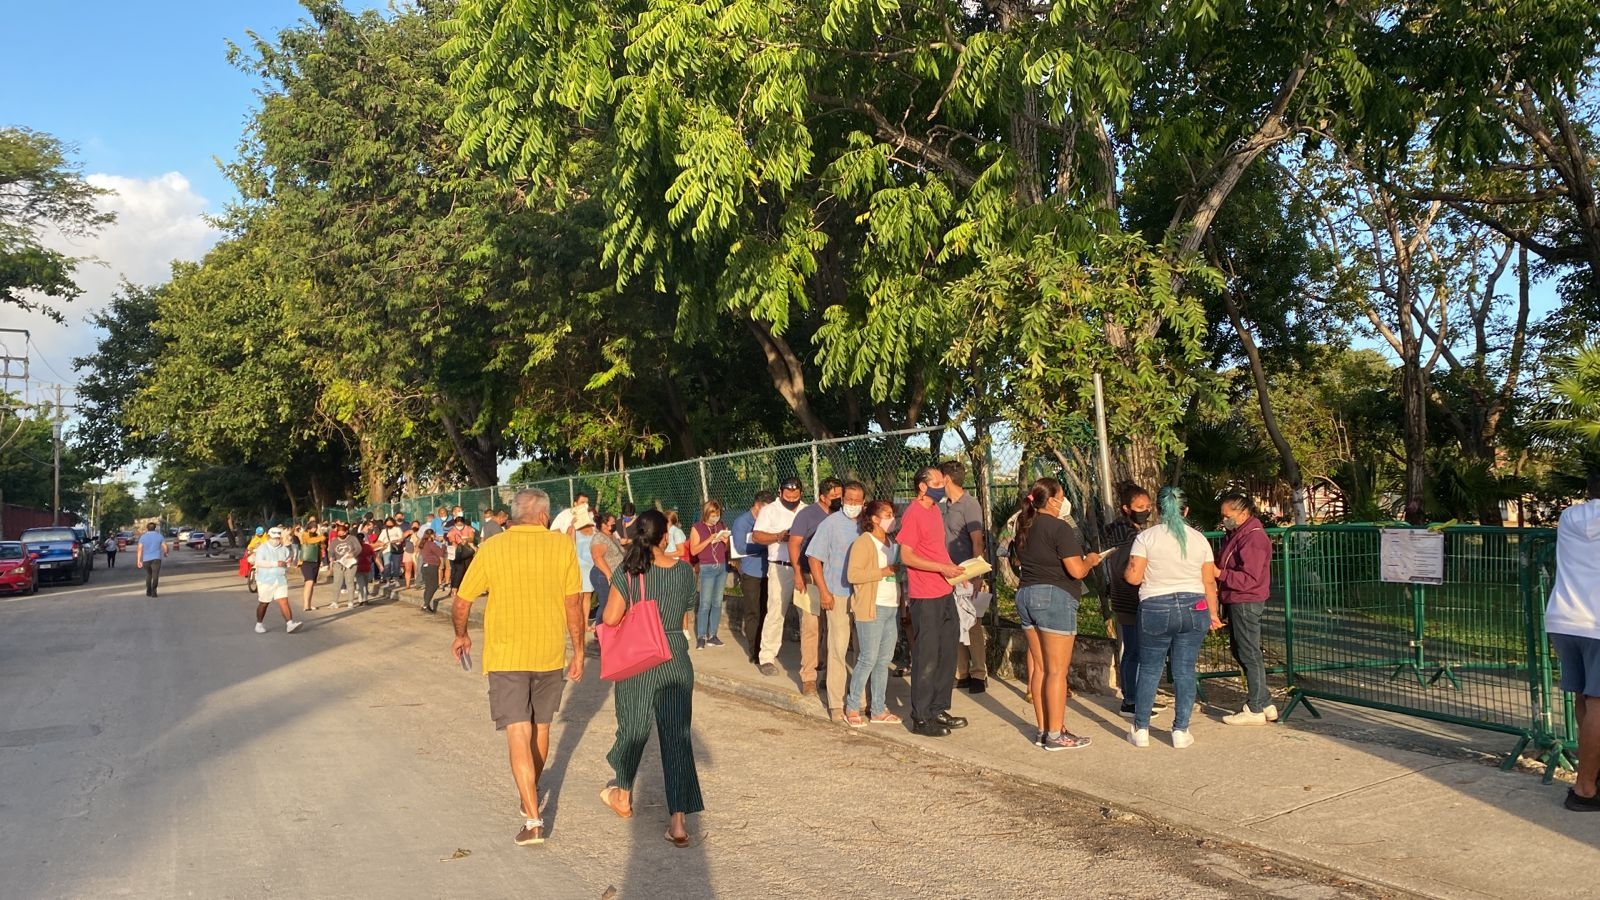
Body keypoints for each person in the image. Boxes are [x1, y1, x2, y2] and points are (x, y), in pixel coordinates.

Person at [449, 488, 585, 847]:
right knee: (540, 729)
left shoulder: (493, 548)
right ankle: (531, 793)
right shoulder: (562, 547)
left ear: (513, 515)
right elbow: (574, 605)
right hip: (549, 653)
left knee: (517, 733)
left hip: (507, 655)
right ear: (543, 516)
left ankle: (532, 817)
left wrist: (461, 635)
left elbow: (462, 601)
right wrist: (580, 651)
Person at [597, 509, 704, 847]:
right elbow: (686, 614)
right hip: (674, 654)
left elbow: (612, 618)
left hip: (640, 656)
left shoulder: (628, 572)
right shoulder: (685, 572)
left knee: (634, 727)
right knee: (677, 735)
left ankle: (623, 794)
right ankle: (678, 822)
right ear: (664, 536)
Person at [1124, 486, 1222, 750]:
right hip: (1195, 606)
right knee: (1184, 670)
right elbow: (1209, 581)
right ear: (1186, 511)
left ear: (1157, 509)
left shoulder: (1146, 537)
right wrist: (1213, 613)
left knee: (1150, 668)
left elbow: (1133, 577)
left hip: (1156, 605)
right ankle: (1180, 730)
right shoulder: (1199, 539)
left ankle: (1141, 728)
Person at [1012, 477, 1101, 751]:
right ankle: (1055, 734)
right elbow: (1076, 570)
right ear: (1051, 500)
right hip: (1054, 597)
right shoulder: (1059, 527)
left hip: (1026, 594)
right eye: (1061, 495)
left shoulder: (1024, 526)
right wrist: (1091, 560)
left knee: (1039, 668)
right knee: (1057, 671)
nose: (1064, 501)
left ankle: (1043, 729)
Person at [897, 466, 970, 737]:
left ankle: (938, 708)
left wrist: (956, 572)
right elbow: (907, 556)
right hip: (925, 596)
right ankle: (921, 717)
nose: (943, 484)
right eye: (937, 481)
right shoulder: (914, 513)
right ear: (922, 486)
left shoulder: (936, 512)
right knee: (927, 657)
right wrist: (941, 569)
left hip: (944, 591)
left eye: (943, 480)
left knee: (947, 652)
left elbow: (938, 551)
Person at [1546, 469, 1600, 812]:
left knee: (1585, 699)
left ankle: (1591, 772)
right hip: (1597, 623)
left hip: (1564, 618)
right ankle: (1585, 788)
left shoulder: (1569, 516)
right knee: (1599, 705)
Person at [806, 481, 866, 721]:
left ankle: (860, 700)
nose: (852, 504)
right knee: (838, 649)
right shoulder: (830, 524)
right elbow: (814, 559)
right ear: (842, 500)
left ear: (864, 501)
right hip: (837, 593)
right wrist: (824, 592)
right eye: (848, 499)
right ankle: (835, 703)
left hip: (863, 595)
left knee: (863, 651)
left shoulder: (867, 524)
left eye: (857, 500)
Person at [1217, 491, 1277, 726]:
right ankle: (1264, 701)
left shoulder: (1253, 537)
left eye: (1227, 515)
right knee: (1243, 650)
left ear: (1243, 513)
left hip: (1246, 599)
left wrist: (1220, 574)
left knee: (1248, 652)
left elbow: (1249, 577)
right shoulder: (1237, 533)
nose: (1224, 519)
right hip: (1237, 598)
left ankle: (1254, 707)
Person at [1104, 484, 1164, 717]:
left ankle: (1140, 696)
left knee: (1136, 650)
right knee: (1134, 651)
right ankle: (1132, 700)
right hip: (1130, 598)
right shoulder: (1125, 534)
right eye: (1140, 507)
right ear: (1126, 508)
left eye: (1148, 507)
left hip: (1130, 597)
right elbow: (1126, 568)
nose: (1145, 511)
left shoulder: (1132, 531)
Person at [844, 500, 904, 727]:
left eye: (892, 514)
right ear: (875, 519)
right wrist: (883, 571)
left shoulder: (892, 542)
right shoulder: (863, 542)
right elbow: (853, 574)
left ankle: (878, 708)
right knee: (868, 658)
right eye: (888, 514)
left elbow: (897, 575)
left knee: (883, 660)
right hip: (872, 606)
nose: (892, 518)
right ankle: (852, 706)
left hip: (891, 606)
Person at [940, 461, 990, 695]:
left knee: (973, 623)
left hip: (966, 572)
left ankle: (979, 673)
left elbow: (977, 541)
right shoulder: (943, 506)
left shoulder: (969, 505)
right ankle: (961, 672)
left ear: (947, 479)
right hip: (947, 572)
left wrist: (976, 573)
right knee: (954, 622)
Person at [753, 478, 808, 677]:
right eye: (788, 494)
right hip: (779, 566)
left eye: (795, 494)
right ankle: (767, 657)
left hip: (803, 567)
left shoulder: (806, 510)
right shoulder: (770, 510)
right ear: (780, 492)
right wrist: (779, 537)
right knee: (776, 612)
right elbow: (757, 536)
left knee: (807, 615)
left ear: (801, 492)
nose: (792, 497)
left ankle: (809, 659)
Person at [731, 491, 773, 663]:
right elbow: (741, 548)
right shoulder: (742, 522)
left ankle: (765, 648)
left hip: (768, 572)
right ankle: (754, 650)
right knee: (753, 612)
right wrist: (766, 545)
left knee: (766, 611)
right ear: (758, 505)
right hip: (751, 573)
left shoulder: (769, 521)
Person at [689, 500, 732, 649]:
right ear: (706, 514)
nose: (715, 518)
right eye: (712, 515)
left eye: (717, 515)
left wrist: (726, 541)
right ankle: (701, 636)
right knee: (705, 603)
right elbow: (694, 550)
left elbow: (727, 549)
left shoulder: (721, 526)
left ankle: (713, 635)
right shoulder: (697, 528)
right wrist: (709, 539)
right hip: (707, 567)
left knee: (717, 602)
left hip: (721, 566)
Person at [252, 528, 304, 634]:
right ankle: (259, 623)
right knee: (264, 603)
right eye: (274, 538)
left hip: (280, 579)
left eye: (278, 538)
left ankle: (290, 624)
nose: (276, 540)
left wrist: (288, 562)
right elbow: (259, 562)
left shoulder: (284, 549)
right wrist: (275, 563)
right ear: (269, 537)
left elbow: (286, 561)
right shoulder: (263, 548)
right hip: (265, 580)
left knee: (283, 601)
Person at [589, 512, 625, 625]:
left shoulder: (612, 535)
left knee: (611, 603)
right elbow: (597, 557)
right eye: (612, 523)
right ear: (604, 525)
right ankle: (600, 630)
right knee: (606, 603)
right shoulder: (599, 538)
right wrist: (609, 575)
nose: (615, 524)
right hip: (603, 575)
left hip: (614, 574)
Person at [328, 523, 364, 609]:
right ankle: (334, 602)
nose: (340, 534)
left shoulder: (352, 538)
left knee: (349, 582)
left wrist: (353, 554)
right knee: (337, 582)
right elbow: (331, 551)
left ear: (346, 532)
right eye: (339, 532)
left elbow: (358, 548)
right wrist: (331, 557)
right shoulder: (335, 541)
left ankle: (350, 602)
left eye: (342, 532)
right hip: (338, 563)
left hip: (350, 563)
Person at [298, 516, 325, 612]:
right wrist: (321, 537)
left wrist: (320, 535)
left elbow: (322, 545)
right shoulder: (304, 534)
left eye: (316, 527)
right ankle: (305, 605)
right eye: (313, 527)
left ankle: (309, 604)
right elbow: (308, 541)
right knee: (309, 582)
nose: (314, 529)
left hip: (315, 561)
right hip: (306, 561)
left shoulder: (317, 536)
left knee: (312, 583)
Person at [574, 508, 598, 614]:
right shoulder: (575, 530)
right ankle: (577, 621)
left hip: (591, 567)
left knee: (587, 595)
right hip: (578, 567)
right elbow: (570, 546)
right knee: (578, 596)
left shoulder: (595, 531)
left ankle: (585, 624)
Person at [135, 522, 168, 597]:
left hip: (146, 559)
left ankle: (148, 591)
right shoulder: (159, 536)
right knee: (155, 575)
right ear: (155, 528)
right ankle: (154, 591)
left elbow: (139, 549)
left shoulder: (143, 537)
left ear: (147, 528)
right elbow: (165, 546)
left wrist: (138, 560)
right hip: (156, 559)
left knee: (149, 575)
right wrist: (165, 553)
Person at [417, 528, 445, 612]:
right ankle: (426, 604)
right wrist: (443, 544)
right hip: (431, 566)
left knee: (428, 586)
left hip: (426, 566)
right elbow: (440, 553)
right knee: (434, 586)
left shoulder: (423, 543)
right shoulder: (430, 544)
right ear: (431, 535)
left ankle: (426, 604)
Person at [448, 515, 478, 591]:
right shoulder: (452, 530)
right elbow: (452, 540)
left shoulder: (469, 529)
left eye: (461, 525)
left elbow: (471, 538)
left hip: (467, 551)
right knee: (457, 570)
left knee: (468, 569)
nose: (459, 526)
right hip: (458, 552)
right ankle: (455, 587)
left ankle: (467, 586)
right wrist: (456, 543)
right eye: (458, 525)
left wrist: (466, 540)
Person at [380, 517, 404, 584]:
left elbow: (401, 538)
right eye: (388, 522)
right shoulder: (384, 531)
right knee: (387, 565)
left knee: (396, 565)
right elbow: (380, 540)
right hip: (386, 550)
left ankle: (396, 579)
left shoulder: (397, 529)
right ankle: (387, 580)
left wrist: (396, 540)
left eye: (390, 522)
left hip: (396, 549)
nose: (389, 523)